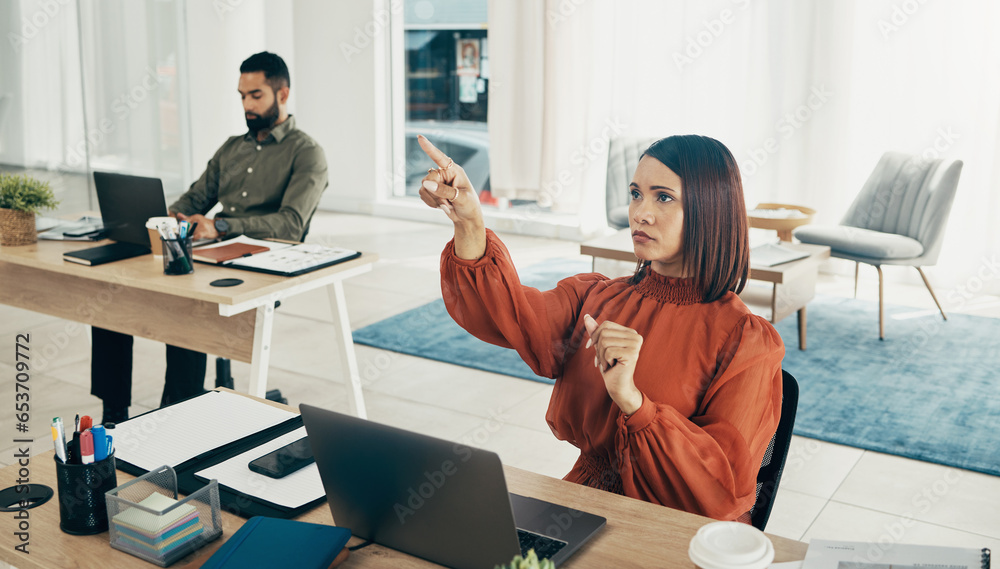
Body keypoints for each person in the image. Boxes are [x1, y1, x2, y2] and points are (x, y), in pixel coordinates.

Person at [417, 134, 784, 521]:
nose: (640, 212)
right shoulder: (596, 298)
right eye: (635, 193)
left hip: (673, 531)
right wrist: (471, 221)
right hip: (583, 503)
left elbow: (719, 491)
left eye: (663, 197)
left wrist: (634, 402)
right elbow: (509, 314)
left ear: (711, 209)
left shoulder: (746, 341)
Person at [92, 51, 328, 424]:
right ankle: (113, 413)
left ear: (282, 95)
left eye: (256, 96)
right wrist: (172, 214)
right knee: (114, 290)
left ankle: (179, 412)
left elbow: (290, 225)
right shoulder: (233, 147)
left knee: (188, 305)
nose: (247, 105)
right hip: (213, 250)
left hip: (263, 261)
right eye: (241, 96)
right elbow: (196, 197)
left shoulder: (307, 153)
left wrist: (219, 227)